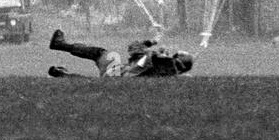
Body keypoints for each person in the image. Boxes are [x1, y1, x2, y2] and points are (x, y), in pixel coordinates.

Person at [47, 29, 193, 78]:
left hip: (117, 73)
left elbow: (134, 48)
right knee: (92, 83)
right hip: (122, 78)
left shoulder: (151, 58)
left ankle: (60, 45)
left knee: (100, 53)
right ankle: (62, 75)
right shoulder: (170, 77)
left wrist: (152, 42)